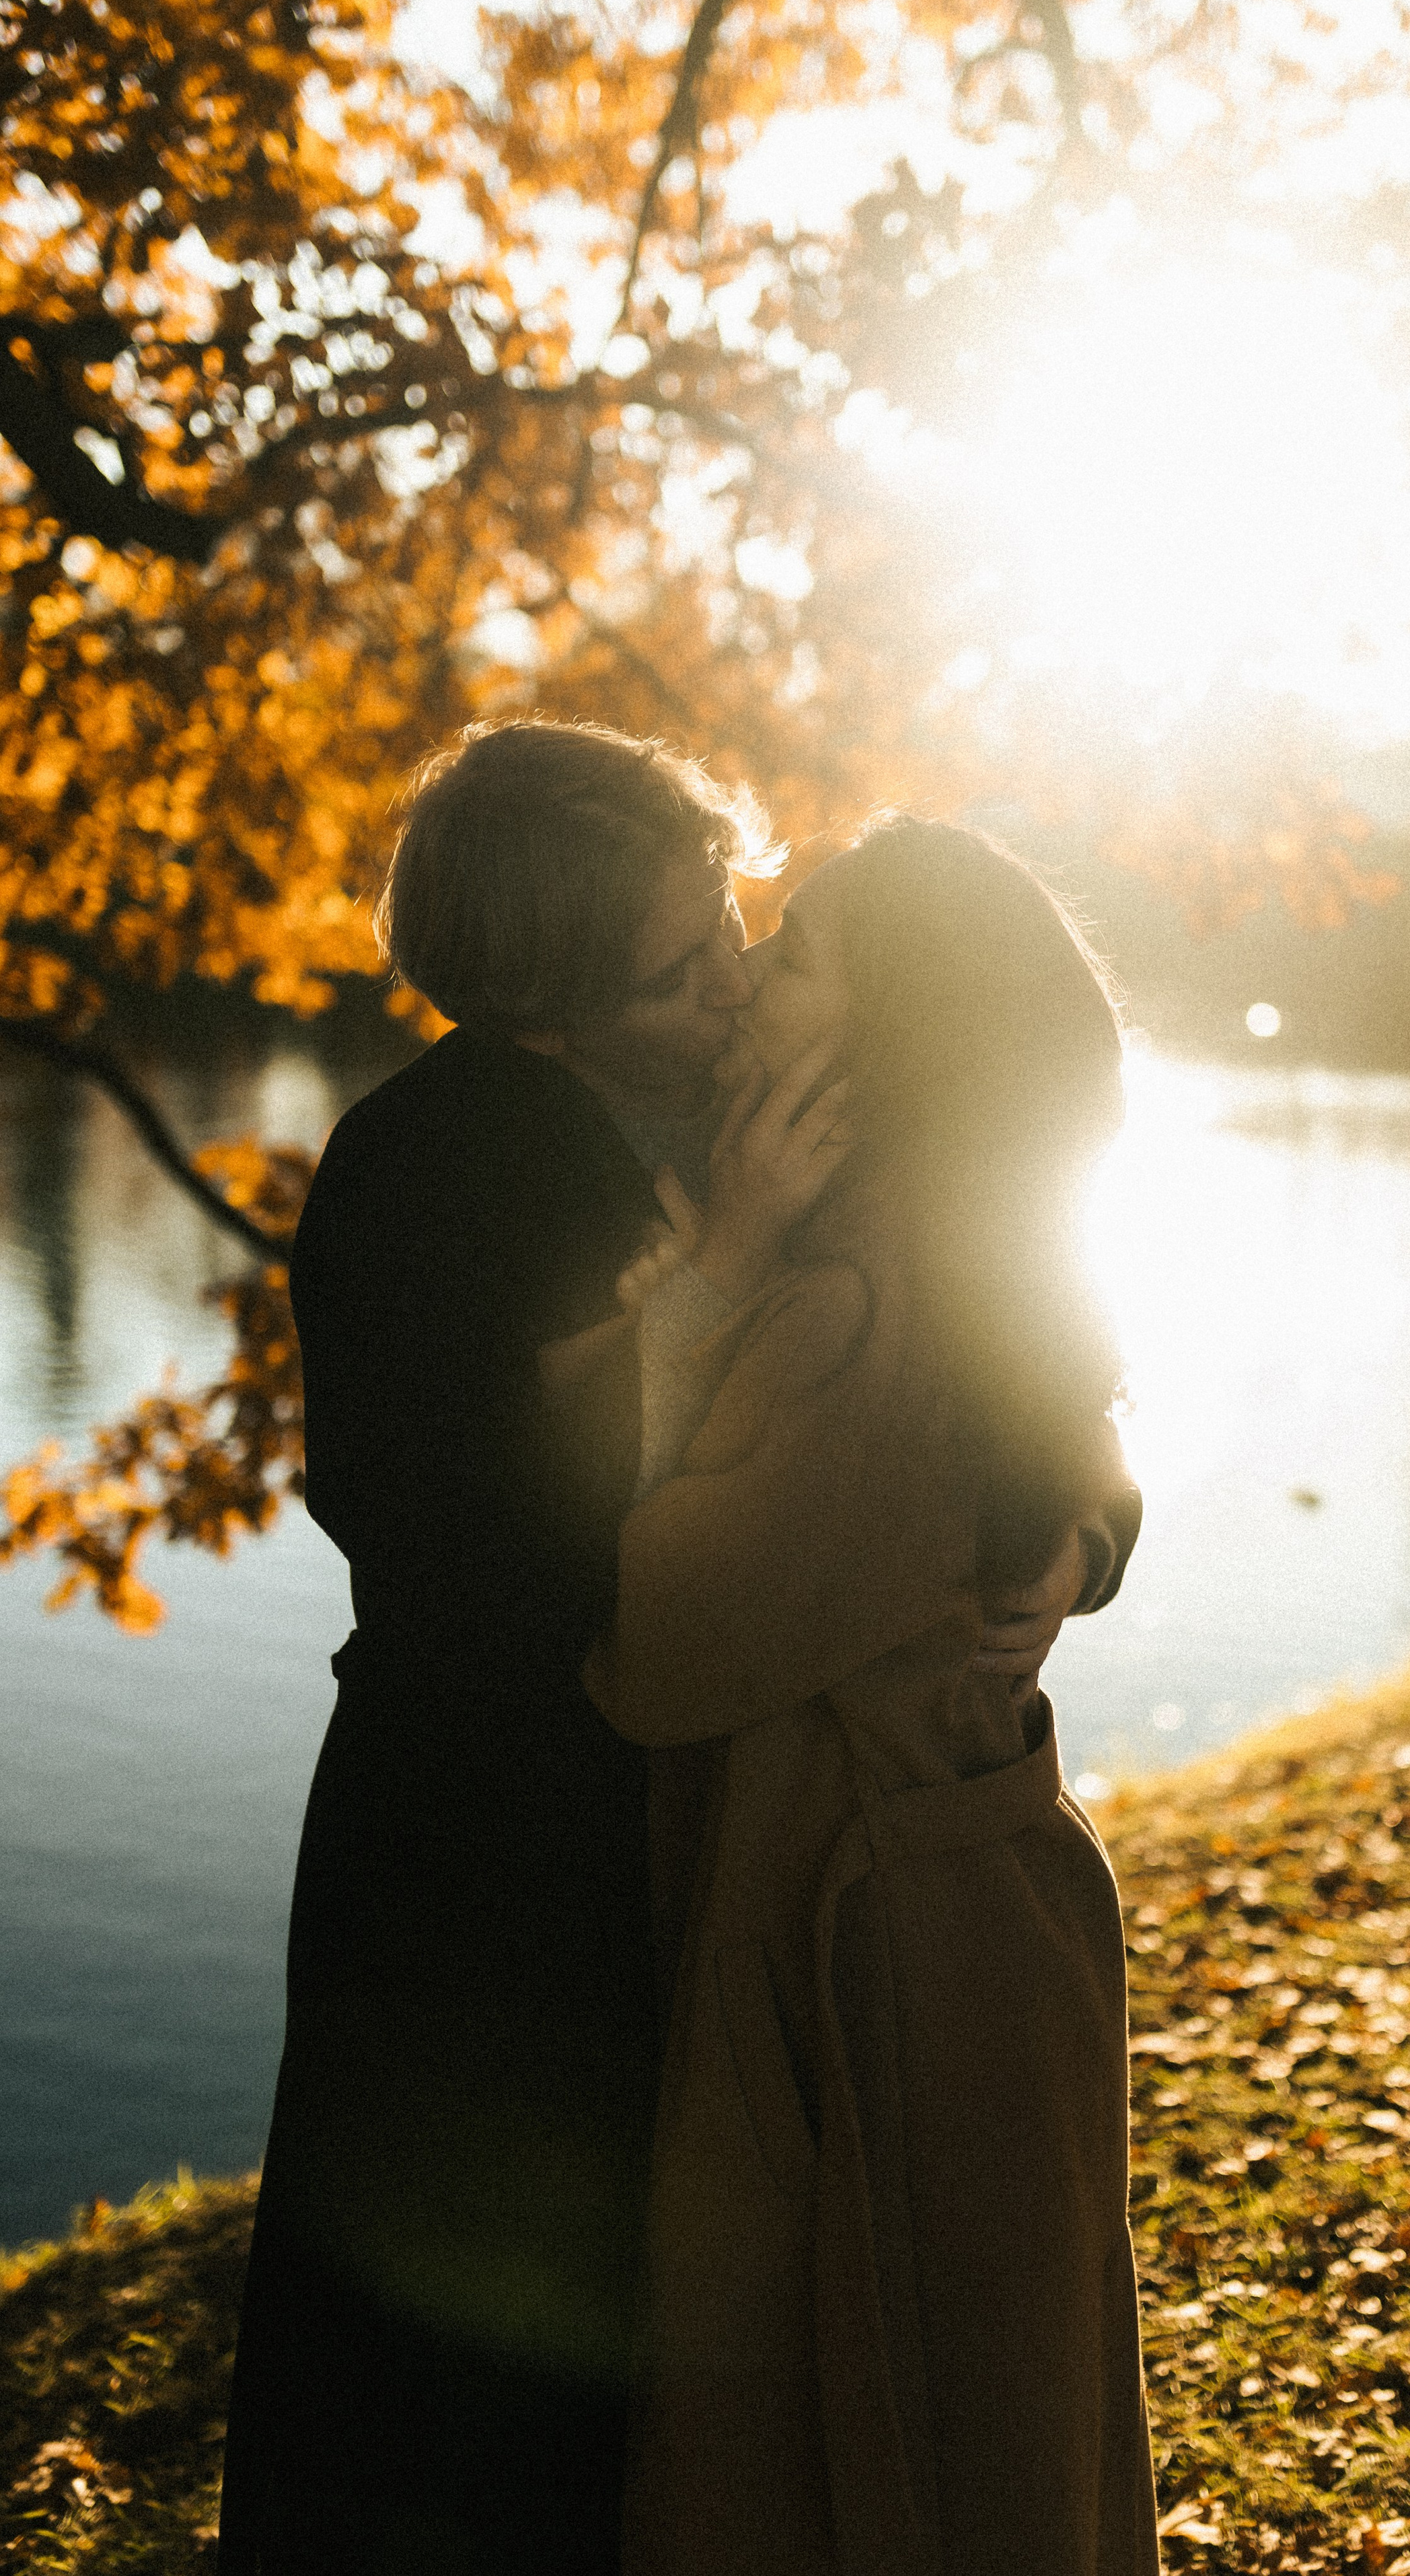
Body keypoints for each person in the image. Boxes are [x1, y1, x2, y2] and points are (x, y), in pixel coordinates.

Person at [217, 723, 1134, 2576]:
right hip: (491, 1853)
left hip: (723, 1850)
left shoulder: (746, 1113)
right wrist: (724, 1272)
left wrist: (1077, 1525)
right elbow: (507, 1536)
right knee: (460, 2393)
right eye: (677, 970)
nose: (727, 979)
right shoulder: (437, 1175)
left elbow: (1010, 1330)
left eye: (730, 926)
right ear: (543, 1006)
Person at [586, 816, 1159, 2576]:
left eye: (800, 952)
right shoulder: (985, 1253)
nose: (751, 973)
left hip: (863, 1968)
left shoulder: (842, 1311)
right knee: (993, 2436)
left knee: (860, 2457)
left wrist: (691, 1318)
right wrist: (1084, 1535)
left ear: (894, 1036)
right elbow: (1071, 1444)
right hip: (978, 1930)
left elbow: (652, 1653)